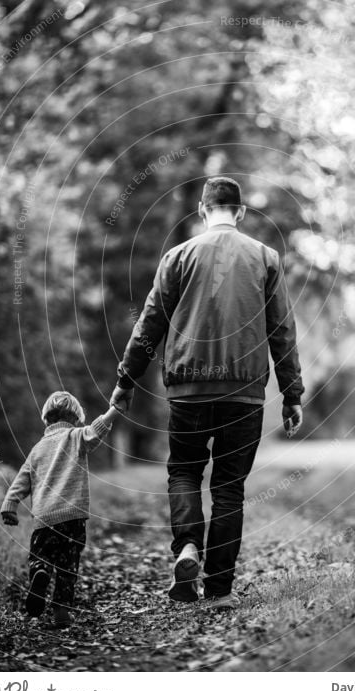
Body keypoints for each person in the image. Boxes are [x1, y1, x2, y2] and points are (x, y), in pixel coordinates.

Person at [111, 176, 304, 609]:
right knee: (229, 488)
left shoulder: (177, 257)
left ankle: (187, 548)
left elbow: (150, 326)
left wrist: (126, 382)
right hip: (245, 393)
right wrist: (292, 392)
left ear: (202, 211)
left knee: (183, 473)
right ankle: (218, 591)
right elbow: (281, 330)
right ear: (239, 213)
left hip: (187, 390)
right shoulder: (265, 257)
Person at [0, 391, 122, 628]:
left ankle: (40, 572)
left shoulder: (37, 449)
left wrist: (10, 504)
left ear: (46, 419)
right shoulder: (76, 436)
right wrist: (114, 410)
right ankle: (61, 612)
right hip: (73, 518)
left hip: (44, 519)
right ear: (76, 418)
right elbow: (95, 432)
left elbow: (22, 480)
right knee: (68, 568)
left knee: (40, 557)